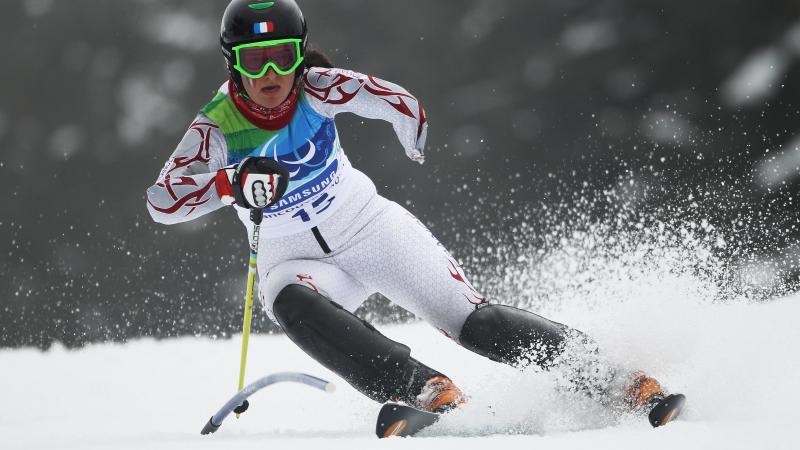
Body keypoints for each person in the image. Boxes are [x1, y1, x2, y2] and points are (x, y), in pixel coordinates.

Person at [146, 0, 683, 430]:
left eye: (282, 56)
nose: (271, 74)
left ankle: (615, 379)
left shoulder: (317, 87)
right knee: (289, 302)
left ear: (299, 55)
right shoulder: (216, 127)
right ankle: (425, 389)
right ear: (231, 63)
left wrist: (412, 131)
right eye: (253, 59)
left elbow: (392, 99)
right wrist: (230, 183)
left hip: (368, 226)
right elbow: (161, 202)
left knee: (473, 321)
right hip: (294, 256)